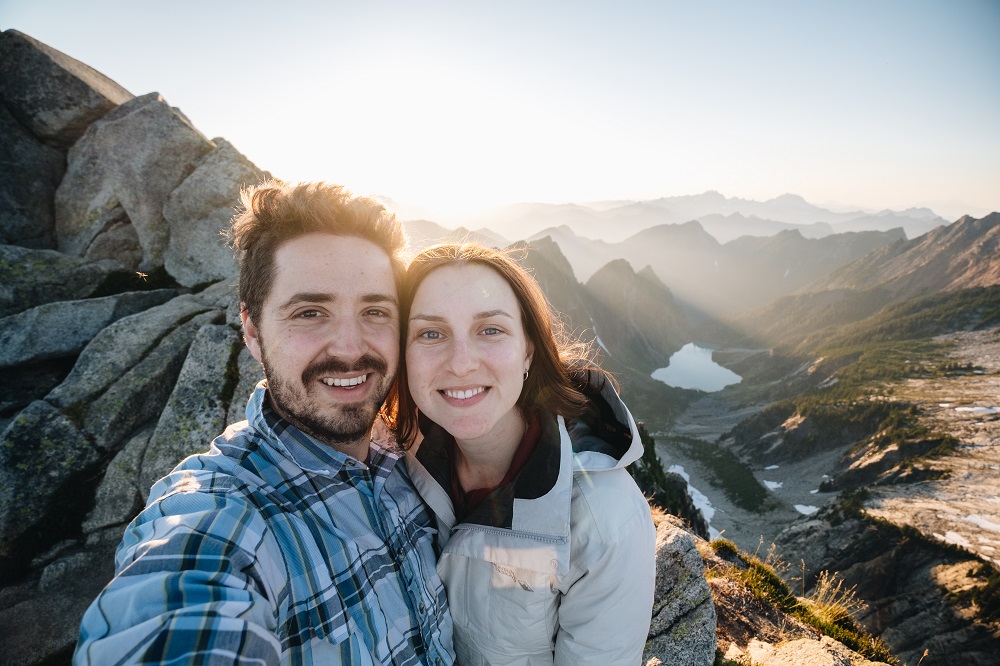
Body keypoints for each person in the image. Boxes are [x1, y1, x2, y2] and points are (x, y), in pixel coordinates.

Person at [74, 181, 455, 665]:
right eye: (310, 312)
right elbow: (180, 604)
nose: (350, 347)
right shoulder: (222, 514)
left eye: (375, 311)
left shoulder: (410, 450)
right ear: (252, 331)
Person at [395, 243, 656, 665]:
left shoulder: (603, 519)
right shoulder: (393, 460)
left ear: (528, 351)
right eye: (431, 333)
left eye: (490, 330)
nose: (461, 364)